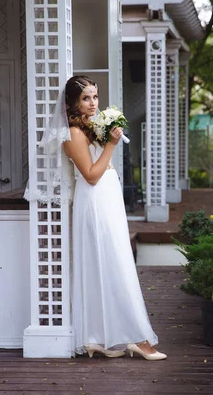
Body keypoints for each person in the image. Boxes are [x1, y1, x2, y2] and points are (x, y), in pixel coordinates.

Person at [30, 75, 166, 361]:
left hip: (108, 199)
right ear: (73, 103)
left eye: (95, 97)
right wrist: (112, 146)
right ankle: (136, 338)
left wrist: (107, 138)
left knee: (110, 263)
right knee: (113, 263)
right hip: (94, 201)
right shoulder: (73, 134)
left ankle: (99, 338)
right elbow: (91, 175)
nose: (93, 103)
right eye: (86, 98)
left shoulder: (91, 127)